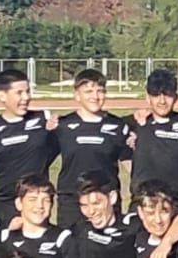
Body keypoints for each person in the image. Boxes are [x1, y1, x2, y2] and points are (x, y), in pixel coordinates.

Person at [0, 68, 57, 224]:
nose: (26, 97)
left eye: (27, 91)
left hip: (36, 203)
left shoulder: (43, 119)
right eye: (19, 93)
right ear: (2, 96)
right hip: (4, 206)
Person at [52, 68, 130, 227]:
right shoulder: (62, 125)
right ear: (77, 95)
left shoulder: (118, 126)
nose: (95, 96)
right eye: (88, 91)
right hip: (72, 201)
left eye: (100, 91)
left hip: (106, 200)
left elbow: (129, 162)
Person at [128, 69, 178, 211]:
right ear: (147, 98)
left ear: (176, 97)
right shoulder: (133, 122)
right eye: (156, 95)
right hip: (143, 201)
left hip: (177, 202)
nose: (162, 101)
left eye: (167, 95)